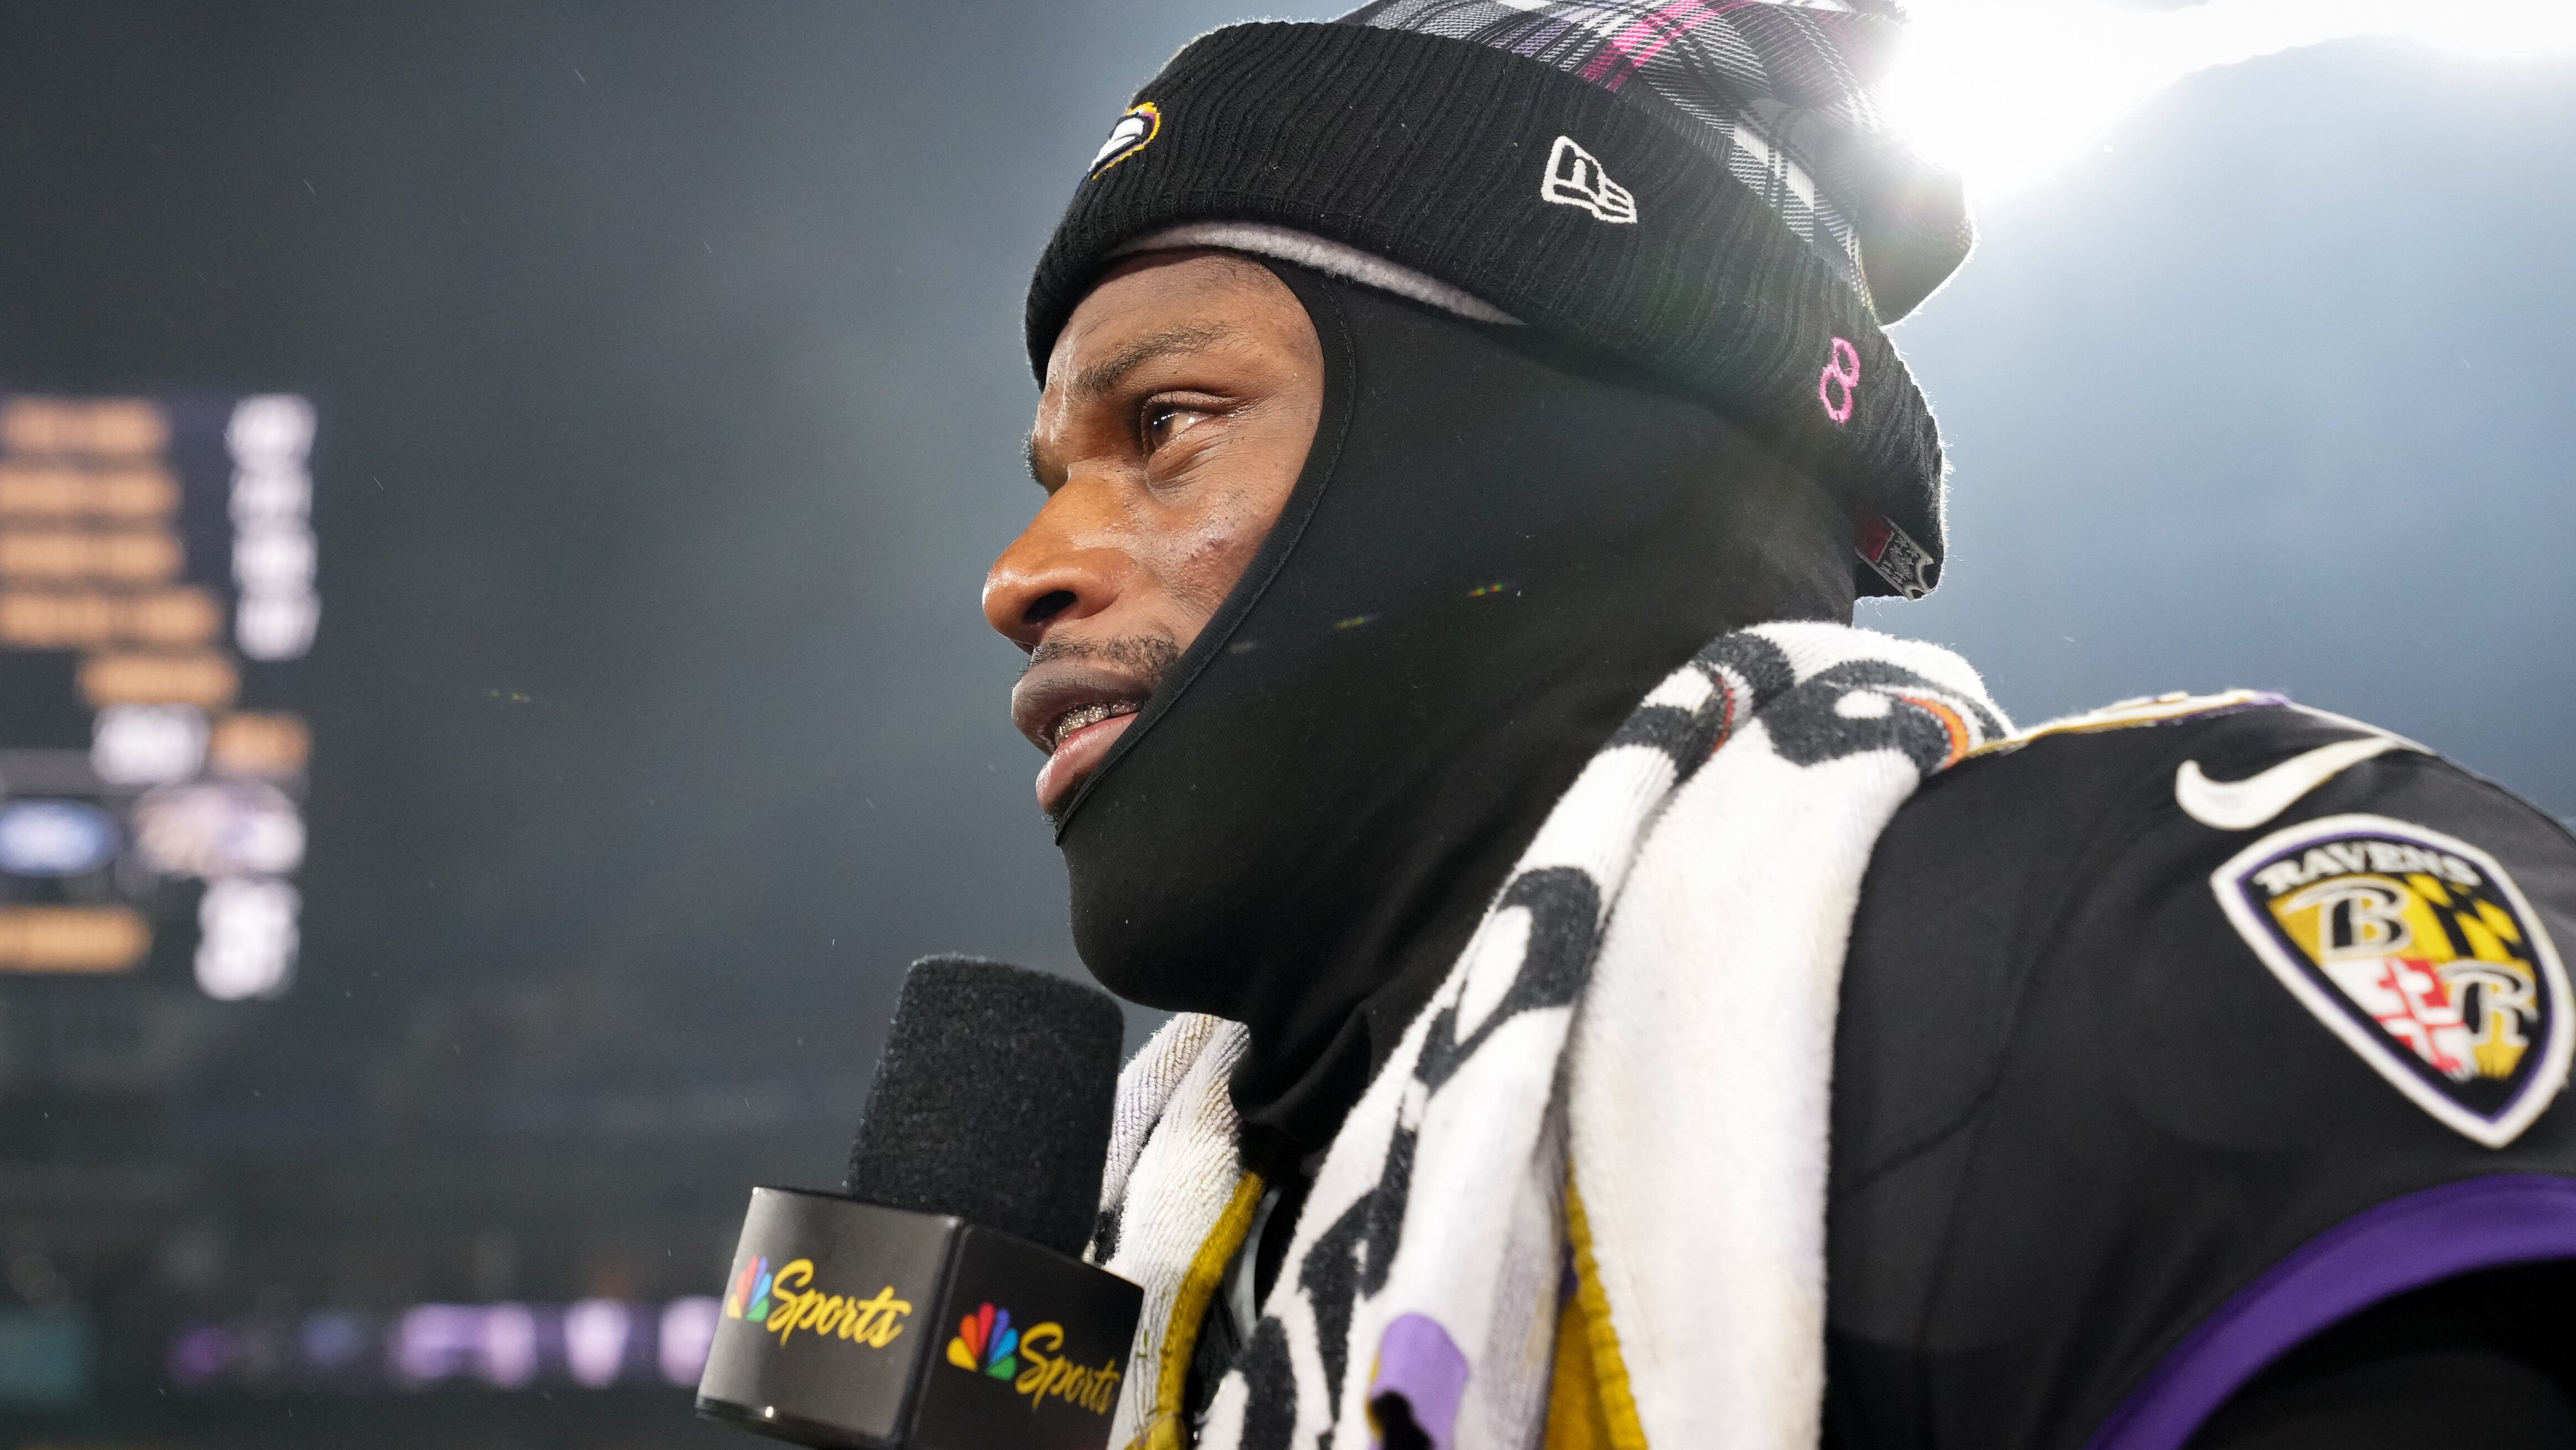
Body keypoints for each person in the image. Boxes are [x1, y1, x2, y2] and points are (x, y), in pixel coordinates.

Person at [978, 5, 2576, 1448]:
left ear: (1527, 460)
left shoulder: (2142, 959)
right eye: (1053, 478)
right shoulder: (1174, 1237)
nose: (1021, 575)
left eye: (1168, 424)